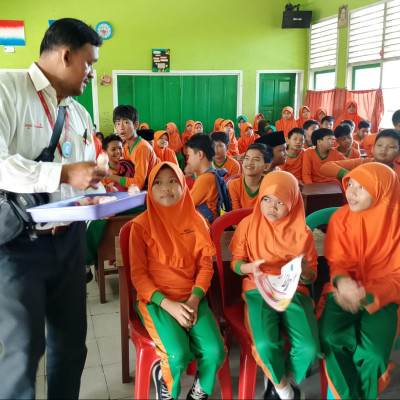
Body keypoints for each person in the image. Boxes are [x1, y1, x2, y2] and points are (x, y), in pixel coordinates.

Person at [0, 18, 107, 399]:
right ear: (65, 55)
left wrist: (96, 180)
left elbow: (80, 176)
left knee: (70, 345)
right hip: (18, 246)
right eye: (89, 63)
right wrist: (62, 171)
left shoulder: (76, 112)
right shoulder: (6, 88)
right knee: (23, 351)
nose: (92, 73)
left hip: (69, 241)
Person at [130, 162, 226, 400]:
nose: (166, 188)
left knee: (215, 351)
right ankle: (166, 385)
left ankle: (199, 391)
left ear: (184, 185)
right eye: (158, 182)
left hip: (192, 299)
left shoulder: (197, 221)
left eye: (173, 181)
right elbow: (139, 276)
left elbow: (205, 267)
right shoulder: (140, 226)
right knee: (177, 355)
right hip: (157, 303)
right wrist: (169, 305)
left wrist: (194, 300)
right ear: (149, 189)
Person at [230, 171, 320, 400]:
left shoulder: (303, 232)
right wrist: (248, 269)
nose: (272, 207)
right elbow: (236, 263)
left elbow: (311, 276)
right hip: (258, 287)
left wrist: (307, 272)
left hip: (293, 290)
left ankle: (278, 376)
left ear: (293, 202)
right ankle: (283, 389)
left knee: (310, 349)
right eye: (267, 199)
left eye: (281, 201)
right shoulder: (248, 225)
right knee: (264, 342)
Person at [318, 163, 400, 400]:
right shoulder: (341, 218)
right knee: (330, 338)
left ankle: (366, 394)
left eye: (360, 187)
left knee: (373, 353)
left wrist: (368, 295)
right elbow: (339, 261)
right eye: (350, 184)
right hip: (343, 290)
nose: (350, 193)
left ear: (382, 191)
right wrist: (342, 282)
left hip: (386, 295)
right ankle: (349, 395)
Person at [320, 129, 400, 180]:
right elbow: (326, 167)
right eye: (379, 145)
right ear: (373, 148)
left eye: (391, 147)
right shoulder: (362, 163)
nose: (383, 149)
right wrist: (350, 174)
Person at [114, 105, 159, 190]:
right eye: (118, 123)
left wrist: (110, 176)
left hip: (153, 190)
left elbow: (138, 183)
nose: (121, 128)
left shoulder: (142, 148)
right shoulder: (126, 147)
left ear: (136, 125)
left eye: (126, 123)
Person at [185, 133, 219, 225]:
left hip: (204, 228)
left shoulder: (205, 179)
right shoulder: (214, 173)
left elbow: (185, 205)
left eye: (189, 155)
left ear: (200, 154)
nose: (188, 160)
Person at [228, 143, 273, 210]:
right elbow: (236, 213)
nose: (249, 162)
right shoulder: (234, 185)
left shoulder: (269, 185)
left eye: (256, 159)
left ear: (266, 167)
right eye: (247, 158)